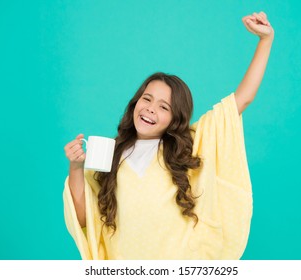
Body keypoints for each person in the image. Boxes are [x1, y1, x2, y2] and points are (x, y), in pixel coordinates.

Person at [63, 12, 274, 260]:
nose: (151, 108)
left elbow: (243, 98)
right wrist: (76, 167)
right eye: (147, 99)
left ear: (176, 119)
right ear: (135, 104)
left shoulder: (191, 145)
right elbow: (85, 219)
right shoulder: (111, 155)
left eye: (164, 107)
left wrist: (265, 41)